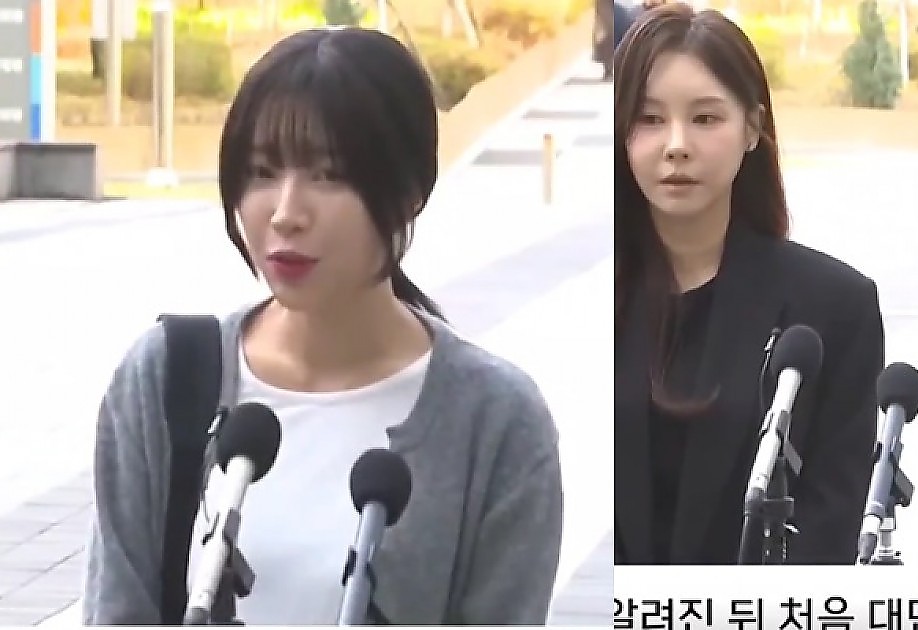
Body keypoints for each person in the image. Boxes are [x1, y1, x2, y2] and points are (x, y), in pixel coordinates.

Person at [82, 27, 564, 624]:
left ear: (410, 190)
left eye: (329, 175)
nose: (286, 213)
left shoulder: (496, 420)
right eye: (261, 171)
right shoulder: (164, 378)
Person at [613, 3, 885, 566]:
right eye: (649, 119)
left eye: (705, 118)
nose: (676, 145)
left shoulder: (835, 308)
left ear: (752, 128)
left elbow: (828, 532)